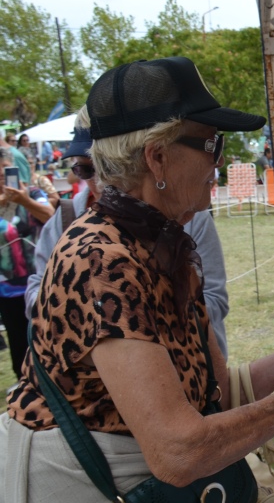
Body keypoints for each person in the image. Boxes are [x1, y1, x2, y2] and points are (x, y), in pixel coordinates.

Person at [1, 56, 274, 503]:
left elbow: (214, 392)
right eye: (211, 144)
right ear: (157, 159)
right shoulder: (103, 261)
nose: (218, 163)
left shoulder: (161, 245)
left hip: (139, 502)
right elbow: (178, 451)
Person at [24, 107, 232, 358]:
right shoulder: (94, 244)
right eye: (85, 170)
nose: (99, 180)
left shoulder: (183, 222)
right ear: (154, 159)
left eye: (104, 168)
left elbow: (212, 304)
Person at [0, 147, 53, 376]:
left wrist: (23, 200)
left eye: (4, 171)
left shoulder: (31, 193)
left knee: (48, 344)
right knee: (20, 350)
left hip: (39, 282)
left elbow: (51, 215)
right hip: (7, 289)